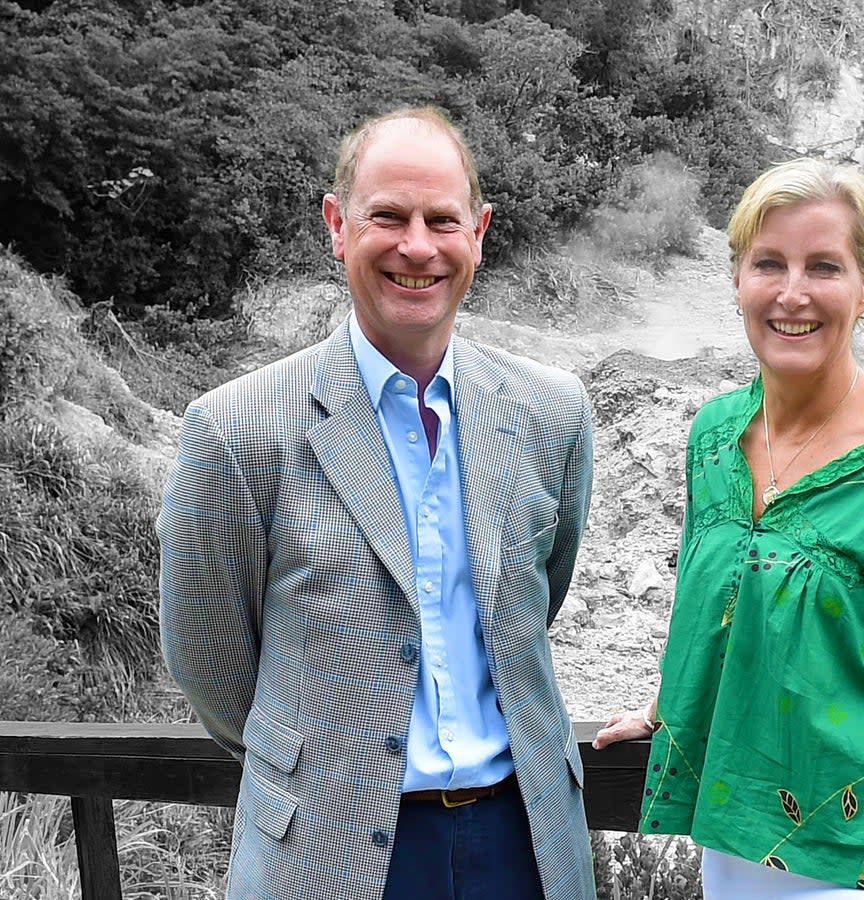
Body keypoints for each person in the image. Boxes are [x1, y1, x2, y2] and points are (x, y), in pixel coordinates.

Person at [158, 107, 596, 900]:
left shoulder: (553, 411)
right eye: (387, 216)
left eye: (442, 220)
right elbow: (211, 667)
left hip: (525, 844)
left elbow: (534, 604)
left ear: (480, 231)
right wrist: (320, 760)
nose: (417, 246)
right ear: (337, 225)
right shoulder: (235, 430)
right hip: (323, 850)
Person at [594, 158, 864, 898]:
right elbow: (728, 607)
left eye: (823, 267)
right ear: (737, 278)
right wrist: (665, 706)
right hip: (734, 851)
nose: (792, 293)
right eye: (769, 263)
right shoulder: (714, 440)